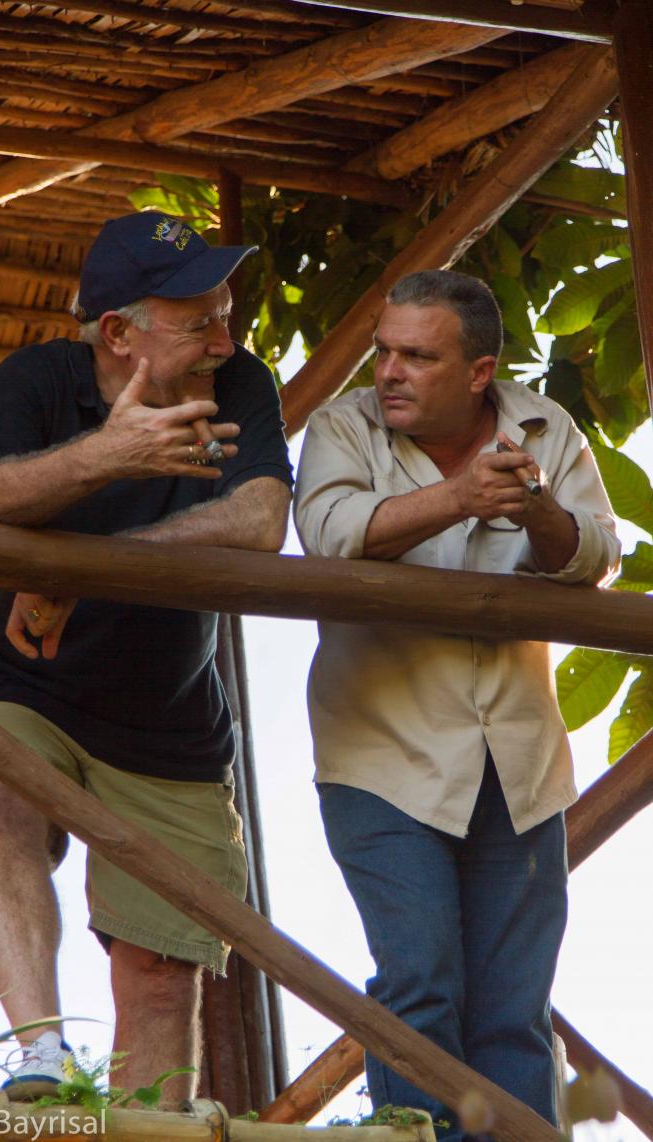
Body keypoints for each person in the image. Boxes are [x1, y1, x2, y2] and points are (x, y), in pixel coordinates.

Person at [0, 212, 292, 1104]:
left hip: (169, 721)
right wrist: (106, 455)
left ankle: (150, 1124)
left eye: (225, 314)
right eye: (198, 321)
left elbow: (259, 520)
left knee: (162, 971)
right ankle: (40, 1055)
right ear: (118, 333)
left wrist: (90, 573)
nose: (223, 340)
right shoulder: (36, 378)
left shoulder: (239, 379)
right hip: (26, 685)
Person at [294, 270, 619, 1139]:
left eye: (415, 356)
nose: (387, 372)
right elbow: (327, 534)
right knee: (419, 981)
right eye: (382, 351)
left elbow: (598, 554)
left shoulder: (547, 427)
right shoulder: (340, 426)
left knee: (514, 1009)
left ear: (479, 373)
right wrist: (460, 497)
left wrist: (535, 507)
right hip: (380, 758)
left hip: (518, 762)